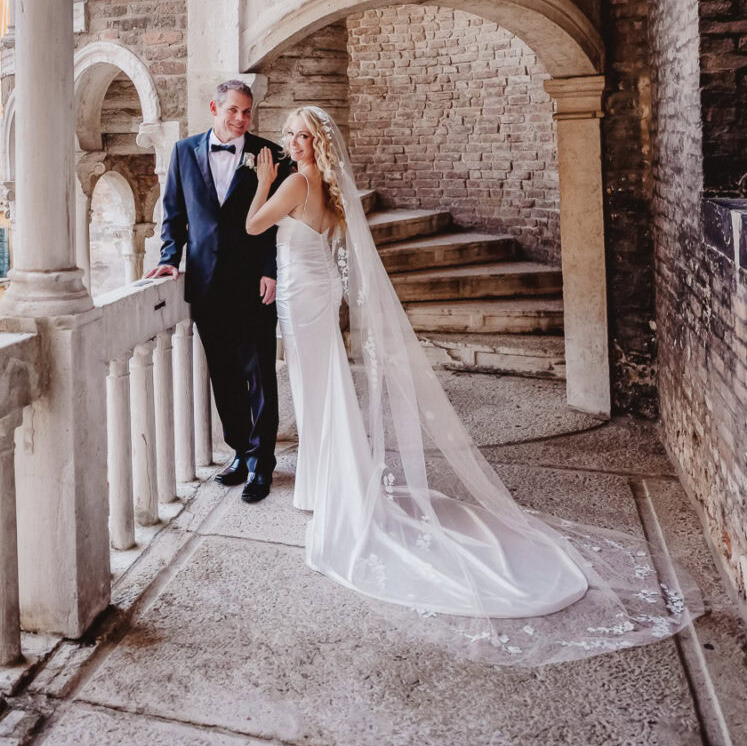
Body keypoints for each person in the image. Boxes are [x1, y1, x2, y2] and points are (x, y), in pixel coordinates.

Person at [245, 104, 699, 666]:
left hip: (300, 297)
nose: (292, 141)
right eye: (290, 134)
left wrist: (262, 182)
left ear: (314, 143)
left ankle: (330, 492)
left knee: (318, 393)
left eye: (299, 135)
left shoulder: (291, 181)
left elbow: (254, 226)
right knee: (326, 390)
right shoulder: (330, 190)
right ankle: (324, 487)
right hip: (313, 294)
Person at [147, 79, 284, 502]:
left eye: (247, 112)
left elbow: (278, 221)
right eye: (234, 111)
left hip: (253, 282)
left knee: (259, 373)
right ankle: (241, 452)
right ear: (214, 108)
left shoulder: (270, 155)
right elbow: (175, 213)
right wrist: (171, 256)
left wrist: (269, 268)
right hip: (205, 283)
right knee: (223, 375)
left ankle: (263, 464)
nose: (242, 119)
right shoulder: (184, 152)